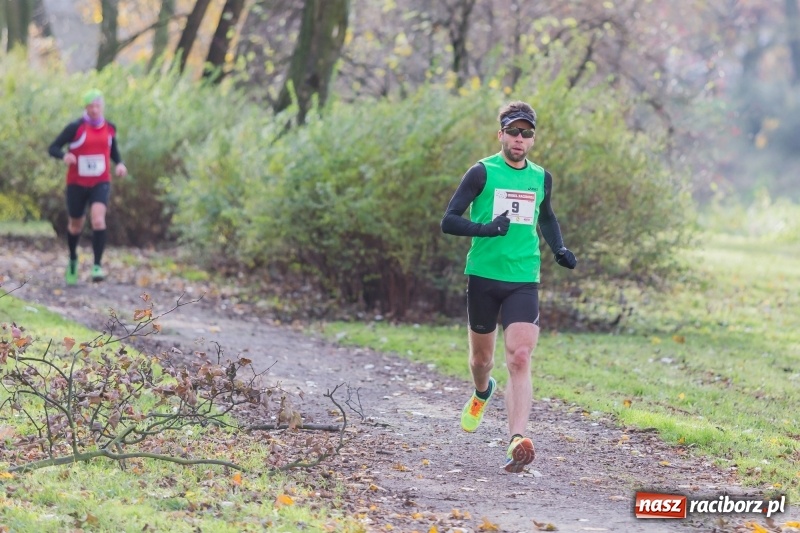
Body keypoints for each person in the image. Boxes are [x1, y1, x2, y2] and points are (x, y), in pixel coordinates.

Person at [441, 101, 577, 473]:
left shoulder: (541, 177)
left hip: (523, 279)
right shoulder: (481, 173)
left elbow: (546, 217)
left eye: (526, 133)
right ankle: (482, 391)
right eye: (513, 132)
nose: (519, 139)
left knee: (520, 356)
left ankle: (517, 439)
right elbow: (448, 221)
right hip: (484, 276)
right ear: (500, 134)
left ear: (532, 139)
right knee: (481, 360)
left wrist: (559, 248)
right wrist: (486, 229)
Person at [48, 89, 127, 285]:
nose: (94, 110)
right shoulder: (75, 128)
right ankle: (73, 258)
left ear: (102, 106)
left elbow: (113, 150)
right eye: (90, 106)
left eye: (97, 106)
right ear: (85, 108)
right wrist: (64, 156)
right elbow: (53, 147)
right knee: (76, 225)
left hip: (101, 181)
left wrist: (120, 164)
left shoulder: (110, 128)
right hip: (76, 183)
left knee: (98, 220)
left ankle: (97, 266)